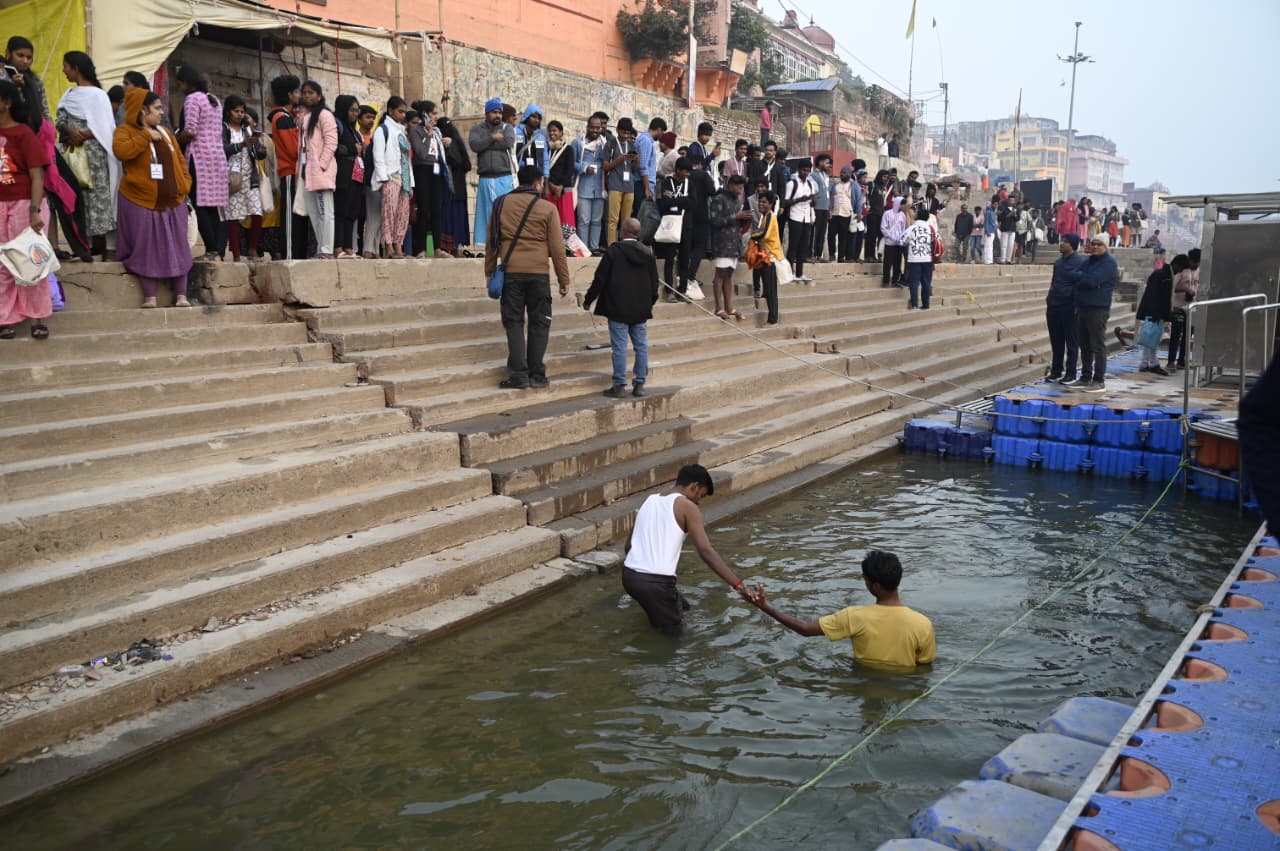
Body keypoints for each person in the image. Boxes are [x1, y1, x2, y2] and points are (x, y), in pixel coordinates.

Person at [747, 550, 936, 668]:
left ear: (875, 586)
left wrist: (765, 606)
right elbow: (924, 667)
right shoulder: (923, 624)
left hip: (863, 681)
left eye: (865, 579)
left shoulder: (854, 616)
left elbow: (804, 629)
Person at [623, 464, 756, 630]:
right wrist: (739, 585)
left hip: (629, 576)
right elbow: (705, 551)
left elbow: (629, 547)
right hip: (656, 583)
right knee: (674, 634)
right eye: (701, 495)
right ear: (694, 486)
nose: (699, 502)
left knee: (684, 607)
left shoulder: (649, 500)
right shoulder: (687, 507)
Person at [486, 165, 570, 389]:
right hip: (539, 274)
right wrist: (564, 279)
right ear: (537, 184)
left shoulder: (501, 204)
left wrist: (489, 271)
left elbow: (492, 242)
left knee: (513, 322)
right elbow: (557, 248)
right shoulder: (548, 208)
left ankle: (519, 375)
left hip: (511, 272)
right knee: (540, 323)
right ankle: (537, 374)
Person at [113, 87, 193, 309]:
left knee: (179, 248)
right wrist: (145, 135)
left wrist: (185, 184)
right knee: (145, 248)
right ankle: (150, 297)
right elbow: (122, 152)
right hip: (140, 202)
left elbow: (180, 160)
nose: (161, 112)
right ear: (141, 110)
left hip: (173, 202)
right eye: (157, 108)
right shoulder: (124, 131)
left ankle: (181, 295)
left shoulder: (166, 132)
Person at [583, 217, 658, 398]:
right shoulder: (648, 253)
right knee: (641, 346)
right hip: (640, 309)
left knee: (619, 347)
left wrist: (588, 300)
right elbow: (654, 284)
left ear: (623, 231)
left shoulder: (614, 251)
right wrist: (649, 303)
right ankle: (640, 384)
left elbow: (600, 279)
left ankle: (619, 385)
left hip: (617, 307)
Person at [0, 78, 51, 340]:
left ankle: (35, 318)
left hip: (23, 203)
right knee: (1, 264)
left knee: (29, 261)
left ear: (6, 103)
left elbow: (37, 176)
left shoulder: (23, 134)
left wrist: (34, 211)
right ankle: (5, 318)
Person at [56, 51, 119, 260]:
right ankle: (87, 246)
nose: (64, 71)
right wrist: (70, 132)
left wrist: (84, 135)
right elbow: (61, 119)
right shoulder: (68, 95)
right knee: (80, 199)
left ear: (76, 68)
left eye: (66, 66)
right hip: (74, 156)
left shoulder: (99, 95)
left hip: (96, 155)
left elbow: (105, 127)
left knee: (101, 199)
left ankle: (109, 248)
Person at [173, 64, 226, 261]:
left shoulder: (192, 99)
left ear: (185, 82)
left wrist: (173, 141)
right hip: (216, 157)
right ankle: (217, 251)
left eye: (179, 83)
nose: (179, 87)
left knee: (199, 203)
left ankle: (211, 250)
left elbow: (190, 131)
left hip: (199, 158)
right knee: (213, 207)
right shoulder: (214, 100)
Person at [1063, 235, 1118, 394]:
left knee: (1097, 344)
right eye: (1092, 243)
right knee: (1084, 344)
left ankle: (1099, 379)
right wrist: (1083, 279)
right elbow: (1071, 275)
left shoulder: (1108, 263)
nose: (1094, 247)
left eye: (1098, 244)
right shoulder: (1088, 261)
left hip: (1098, 308)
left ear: (1105, 246)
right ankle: (1085, 376)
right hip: (1082, 307)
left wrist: (1082, 279)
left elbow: (1091, 281)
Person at [266, 74, 308, 259]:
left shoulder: (287, 117)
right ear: (290, 94)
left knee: (297, 216)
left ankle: (296, 254)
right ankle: (289, 255)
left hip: (294, 171)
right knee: (290, 216)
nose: (299, 95)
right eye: (297, 91)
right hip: (289, 171)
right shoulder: (282, 118)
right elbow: (293, 150)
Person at [220, 95, 266, 262]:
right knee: (233, 216)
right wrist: (240, 145)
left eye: (242, 111)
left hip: (250, 176)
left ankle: (252, 249)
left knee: (257, 212)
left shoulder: (247, 129)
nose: (239, 114)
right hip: (232, 178)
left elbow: (259, 153)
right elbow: (222, 149)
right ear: (228, 111)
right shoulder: (223, 128)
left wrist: (260, 147)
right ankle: (237, 255)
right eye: (236, 111)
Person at [296, 81, 337, 259]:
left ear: (319, 96)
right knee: (314, 213)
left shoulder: (325, 115)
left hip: (320, 172)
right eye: (304, 93)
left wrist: (321, 165)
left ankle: (327, 249)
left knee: (325, 212)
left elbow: (331, 142)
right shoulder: (307, 118)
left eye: (311, 92)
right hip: (307, 172)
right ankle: (321, 248)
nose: (307, 96)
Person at [469, 97, 516, 254]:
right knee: (486, 213)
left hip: (504, 177)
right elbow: (475, 145)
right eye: (494, 112)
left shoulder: (507, 128)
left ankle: (505, 246)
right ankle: (487, 247)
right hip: (485, 177)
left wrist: (486, 144)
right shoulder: (477, 129)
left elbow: (508, 143)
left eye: (500, 113)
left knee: (505, 214)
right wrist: (491, 138)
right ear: (487, 113)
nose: (498, 115)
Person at [371, 96, 412, 259]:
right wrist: (383, 179)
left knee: (403, 215)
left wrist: (411, 183)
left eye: (404, 112)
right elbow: (378, 156)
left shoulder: (402, 131)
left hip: (404, 179)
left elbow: (406, 158)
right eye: (400, 111)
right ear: (390, 111)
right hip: (390, 177)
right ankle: (388, 246)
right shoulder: (383, 130)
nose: (403, 115)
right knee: (389, 213)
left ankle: (398, 246)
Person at [1134, 253, 1187, 376]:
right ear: (1177, 265)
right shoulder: (1163, 276)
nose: (1180, 272)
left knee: (1151, 338)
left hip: (1156, 312)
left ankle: (1145, 363)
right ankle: (1152, 364)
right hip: (1155, 312)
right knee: (1153, 339)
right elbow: (1155, 296)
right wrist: (1159, 313)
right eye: (1181, 269)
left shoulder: (1165, 275)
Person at [409, 99, 450, 258]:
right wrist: (428, 134)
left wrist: (445, 142)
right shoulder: (416, 131)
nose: (435, 117)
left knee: (436, 210)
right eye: (433, 113)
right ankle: (421, 249)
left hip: (436, 170)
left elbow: (439, 152)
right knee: (423, 209)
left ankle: (437, 248)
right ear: (425, 115)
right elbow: (421, 152)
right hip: (422, 169)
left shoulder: (437, 131)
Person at [708, 175, 752, 319]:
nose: (740, 190)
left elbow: (737, 222)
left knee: (729, 275)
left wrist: (745, 219)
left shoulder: (737, 201)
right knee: (720, 275)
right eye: (738, 186)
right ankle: (718, 308)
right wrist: (736, 217)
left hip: (734, 244)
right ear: (730, 185)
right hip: (721, 243)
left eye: (742, 187)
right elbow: (715, 221)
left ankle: (729, 307)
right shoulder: (718, 199)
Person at [1045, 234, 1085, 383]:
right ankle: (1056, 370)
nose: (1062, 244)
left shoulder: (1080, 262)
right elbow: (1054, 281)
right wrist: (1049, 298)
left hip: (1069, 306)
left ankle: (1071, 372)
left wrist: (1076, 303)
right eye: (1062, 241)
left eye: (1066, 242)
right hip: (1054, 304)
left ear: (1073, 245)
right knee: (1056, 340)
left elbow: (1080, 285)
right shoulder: (1059, 263)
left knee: (1071, 341)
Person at [331, 94, 364, 258]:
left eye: (357, 111)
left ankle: (348, 247)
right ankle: (338, 247)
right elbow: (333, 147)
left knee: (352, 211)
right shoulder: (337, 125)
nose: (355, 114)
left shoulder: (354, 130)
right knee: (340, 211)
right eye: (352, 110)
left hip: (356, 175)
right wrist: (352, 150)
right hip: (342, 174)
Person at [436, 112, 472, 256]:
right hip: (446, 191)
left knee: (455, 220)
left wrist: (450, 148)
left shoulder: (454, 144)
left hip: (455, 191)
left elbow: (464, 164)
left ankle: (456, 248)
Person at [573, 115, 608, 254]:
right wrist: (583, 168)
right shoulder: (578, 143)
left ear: (601, 128)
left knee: (596, 221)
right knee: (583, 220)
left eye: (598, 127)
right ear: (587, 127)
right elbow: (571, 163)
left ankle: (593, 248)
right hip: (584, 187)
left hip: (600, 189)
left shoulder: (605, 144)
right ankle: (583, 249)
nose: (595, 130)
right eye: (592, 127)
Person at [602, 117, 637, 247]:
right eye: (623, 133)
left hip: (629, 186)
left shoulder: (632, 145)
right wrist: (620, 159)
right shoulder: (610, 144)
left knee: (626, 220)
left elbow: (633, 169)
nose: (625, 136)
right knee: (613, 219)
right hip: (615, 185)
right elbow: (605, 167)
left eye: (628, 134)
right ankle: (612, 245)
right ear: (617, 130)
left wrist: (636, 159)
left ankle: (625, 246)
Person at [751, 191, 783, 326]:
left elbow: (764, 234)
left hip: (770, 257)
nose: (761, 204)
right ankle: (772, 316)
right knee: (768, 287)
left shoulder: (771, 216)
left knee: (770, 289)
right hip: (764, 256)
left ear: (770, 204)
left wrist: (751, 237)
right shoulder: (764, 217)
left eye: (764, 202)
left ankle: (773, 317)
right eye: (760, 201)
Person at [783, 157, 817, 283]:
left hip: (806, 217)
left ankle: (800, 273)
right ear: (799, 170)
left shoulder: (810, 184)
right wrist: (799, 199)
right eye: (803, 170)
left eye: (808, 171)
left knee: (804, 247)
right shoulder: (792, 184)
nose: (806, 173)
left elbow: (813, 203)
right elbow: (785, 202)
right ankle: (789, 273)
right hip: (795, 217)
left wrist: (813, 200)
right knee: (793, 245)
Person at [1168, 248, 1198, 371]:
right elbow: (1172, 287)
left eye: (1198, 263)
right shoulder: (1181, 271)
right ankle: (1171, 361)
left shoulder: (1198, 271)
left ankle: (1182, 360)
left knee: (1187, 336)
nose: (1195, 265)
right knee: (1176, 335)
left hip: (1191, 308)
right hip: (1178, 307)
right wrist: (1185, 290)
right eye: (1194, 262)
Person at [544, 119, 577, 231]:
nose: (552, 133)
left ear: (561, 132)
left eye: (555, 131)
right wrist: (550, 185)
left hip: (563, 189)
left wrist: (560, 187)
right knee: (550, 219)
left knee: (565, 220)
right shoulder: (547, 149)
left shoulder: (568, 149)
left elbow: (569, 169)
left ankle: (567, 247)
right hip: (549, 189)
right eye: (550, 131)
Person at [901, 207, 935, 310]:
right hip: (928, 259)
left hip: (914, 259)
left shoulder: (912, 228)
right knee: (926, 282)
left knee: (914, 282)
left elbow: (902, 240)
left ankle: (914, 304)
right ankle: (926, 304)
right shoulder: (930, 228)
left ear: (918, 216)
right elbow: (936, 241)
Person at [829, 166, 855, 263]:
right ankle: (832, 255)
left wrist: (858, 213)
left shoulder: (853, 186)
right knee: (831, 235)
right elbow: (831, 198)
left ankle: (841, 257)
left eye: (844, 173)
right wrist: (830, 210)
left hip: (846, 214)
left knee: (843, 237)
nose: (841, 174)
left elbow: (857, 200)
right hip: (835, 214)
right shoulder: (835, 185)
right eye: (841, 173)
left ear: (848, 174)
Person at [809, 154, 832, 262]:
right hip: (817, 207)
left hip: (824, 208)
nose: (828, 165)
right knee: (815, 232)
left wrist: (829, 209)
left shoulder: (825, 175)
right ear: (820, 163)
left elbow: (827, 193)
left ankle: (819, 255)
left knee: (822, 233)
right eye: (827, 163)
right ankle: (811, 254)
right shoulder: (813, 175)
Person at [636, 117, 664, 201]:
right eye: (662, 132)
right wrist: (647, 188)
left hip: (644, 184)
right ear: (659, 130)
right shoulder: (646, 141)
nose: (661, 135)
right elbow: (643, 166)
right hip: (642, 185)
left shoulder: (646, 140)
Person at [880, 196, 906, 286]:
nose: (903, 206)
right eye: (902, 204)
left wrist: (901, 238)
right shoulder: (887, 213)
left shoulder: (902, 215)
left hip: (899, 243)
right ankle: (886, 280)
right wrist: (891, 236)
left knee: (897, 262)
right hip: (889, 242)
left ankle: (895, 280)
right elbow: (883, 227)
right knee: (887, 262)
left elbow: (903, 228)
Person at [982, 201, 997, 265]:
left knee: (990, 246)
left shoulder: (993, 212)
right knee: (988, 246)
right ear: (992, 205)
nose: (996, 205)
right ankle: (987, 260)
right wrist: (987, 231)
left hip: (992, 231)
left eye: (997, 204)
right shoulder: (988, 212)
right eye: (995, 204)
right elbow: (986, 222)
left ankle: (989, 260)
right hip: (989, 232)